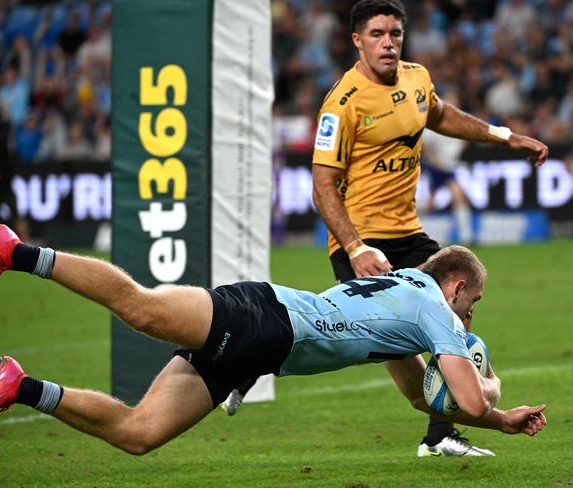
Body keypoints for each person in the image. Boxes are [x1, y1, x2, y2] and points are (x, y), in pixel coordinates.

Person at [226, 0, 549, 457]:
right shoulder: (342, 103)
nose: (389, 43)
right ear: (357, 40)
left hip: (411, 236)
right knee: (387, 360)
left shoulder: (417, 78)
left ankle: (440, 434)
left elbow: (438, 115)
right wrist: (356, 247)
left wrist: (502, 136)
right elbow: (322, 186)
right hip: (361, 242)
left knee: (455, 314)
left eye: (395, 33)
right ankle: (254, 357)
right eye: (377, 34)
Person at [0, 224, 546, 454]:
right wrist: (489, 379)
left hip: (261, 350)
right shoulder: (432, 305)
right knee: (142, 310)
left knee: (139, 435)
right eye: (472, 307)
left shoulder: (409, 306)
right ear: (459, 284)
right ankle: (17, 250)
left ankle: (18, 386)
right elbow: (468, 397)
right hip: (267, 317)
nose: (469, 320)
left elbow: (423, 398)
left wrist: (503, 421)